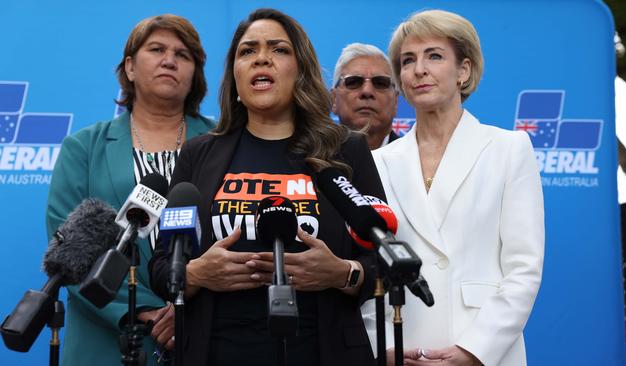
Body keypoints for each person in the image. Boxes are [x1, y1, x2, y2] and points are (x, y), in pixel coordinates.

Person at [149, 8, 383, 366]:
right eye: (247, 51)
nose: (261, 58)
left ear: (300, 70)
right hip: (215, 353)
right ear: (236, 78)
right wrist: (196, 274)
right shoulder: (198, 154)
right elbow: (163, 266)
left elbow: (382, 259)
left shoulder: (345, 150)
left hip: (324, 352)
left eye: (278, 49)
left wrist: (341, 272)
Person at [371, 9, 544, 366]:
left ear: (463, 70)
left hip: (485, 350)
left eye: (434, 56)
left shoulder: (508, 149)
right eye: (408, 60)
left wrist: (474, 351)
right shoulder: (378, 162)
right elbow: (365, 267)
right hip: (404, 347)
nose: (419, 69)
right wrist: (382, 348)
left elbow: (523, 268)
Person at [45, 14, 214, 366]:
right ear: (130, 68)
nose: (170, 60)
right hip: (106, 343)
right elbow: (70, 255)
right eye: (157, 49)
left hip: (208, 332)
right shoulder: (84, 147)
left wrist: (188, 300)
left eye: (183, 55)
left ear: (194, 74)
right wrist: (146, 312)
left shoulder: (223, 143)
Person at [331, 43, 400, 150]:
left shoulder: (417, 162)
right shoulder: (310, 162)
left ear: (395, 101)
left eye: (380, 83)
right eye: (353, 82)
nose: (367, 91)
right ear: (334, 99)